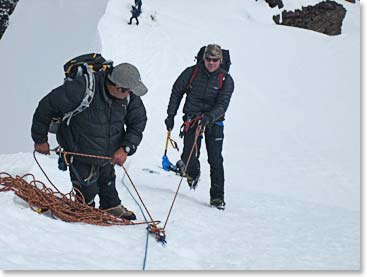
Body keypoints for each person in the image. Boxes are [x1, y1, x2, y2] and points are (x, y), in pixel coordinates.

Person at [31, 63, 148, 220]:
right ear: (117, 87)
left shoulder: (129, 96)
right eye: (128, 91)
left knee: (107, 180)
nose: (131, 94)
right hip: (79, 151)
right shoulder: (81, 88)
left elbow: (138, 122)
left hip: (108, 153)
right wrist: (40, 140)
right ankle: (85, 214)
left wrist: (126, 147)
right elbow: (47, 106)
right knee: (86, 192)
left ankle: (111, 206)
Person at [164, 44, 234, 210]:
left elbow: (222, 104)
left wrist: (209, 118)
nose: (211, 63)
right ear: (203, 59)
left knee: (215, 159)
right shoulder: (192, 72)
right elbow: (176, 91)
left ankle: (217, 197)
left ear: (220, 60)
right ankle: (192, 173)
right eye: (208, 59)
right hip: (192, 119)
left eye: (215, 60)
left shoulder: (226, 79)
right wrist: (170, 115)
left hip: (214, 122)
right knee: (189, 155)